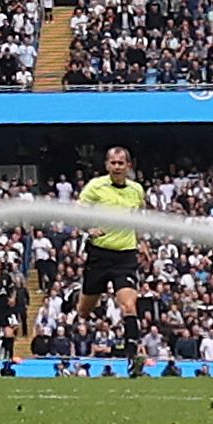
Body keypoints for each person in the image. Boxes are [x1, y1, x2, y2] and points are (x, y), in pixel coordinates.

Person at [75, 145, 153, 372]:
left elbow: (138, 219)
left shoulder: (136, 190)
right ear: (107, 165)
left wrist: (142, 242)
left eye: (121, 163)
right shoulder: (95, 187)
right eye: (113, 163)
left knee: (129, 305)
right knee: (84, 311)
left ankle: (133, 358)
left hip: (125, 256)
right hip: (99, 255)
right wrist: (89, 228)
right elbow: (76, 212)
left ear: (128, 166)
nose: (117, 167)